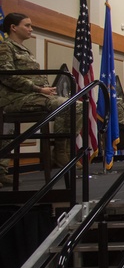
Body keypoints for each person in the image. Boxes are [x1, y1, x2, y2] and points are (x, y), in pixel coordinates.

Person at [0, 13, 81, 168]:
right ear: (13, 27)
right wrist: (38, 89)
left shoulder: (24, 50)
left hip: (32, 96)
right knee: (74, 106)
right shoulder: (5, 47)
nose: (31, 29)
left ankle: (62, 150)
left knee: (77, 105)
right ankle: (60, 152)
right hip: (16, 99)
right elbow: (7, 76)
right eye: (27, 25)